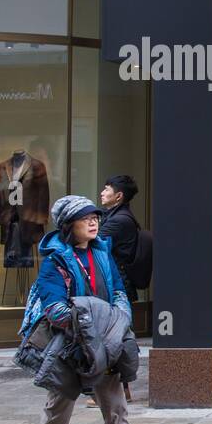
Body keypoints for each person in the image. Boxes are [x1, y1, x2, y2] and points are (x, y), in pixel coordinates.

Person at [21, 195, 157, 424]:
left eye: (95, 216)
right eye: (85, 218)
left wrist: (118, 322)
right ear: (70, 225)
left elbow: (119, 292)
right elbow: (54, 308)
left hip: (105, 345)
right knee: (58, 410)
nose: (94, 221)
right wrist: (89, 324)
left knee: (116, 408)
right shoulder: (54, 262)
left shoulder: (103, 255)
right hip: (70, 348)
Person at [93, 174, 141, 406]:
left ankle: (120, 391)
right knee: (113, 336)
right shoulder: (114, 216)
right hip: (115, 283)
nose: (102, 192)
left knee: (115, 337)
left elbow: (93, 242)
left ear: (118, 195)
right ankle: (120, 391)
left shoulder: (119, 221)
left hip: (116, 286)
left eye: (106, 189)